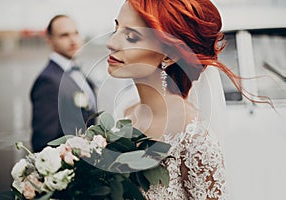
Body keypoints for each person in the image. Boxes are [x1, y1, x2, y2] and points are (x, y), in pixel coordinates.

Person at [105, 0, 247, 199]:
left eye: (131, 37)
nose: (111, 43)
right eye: (116, 28)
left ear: (169, 56)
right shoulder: (124, 112)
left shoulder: (194, 138)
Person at [30, 15, 96, 152]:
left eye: (76, 33)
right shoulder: (48, 81)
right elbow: (44, 142)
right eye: (64, 35)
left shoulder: (76, 72)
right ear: (50, 40)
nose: (73, 40)